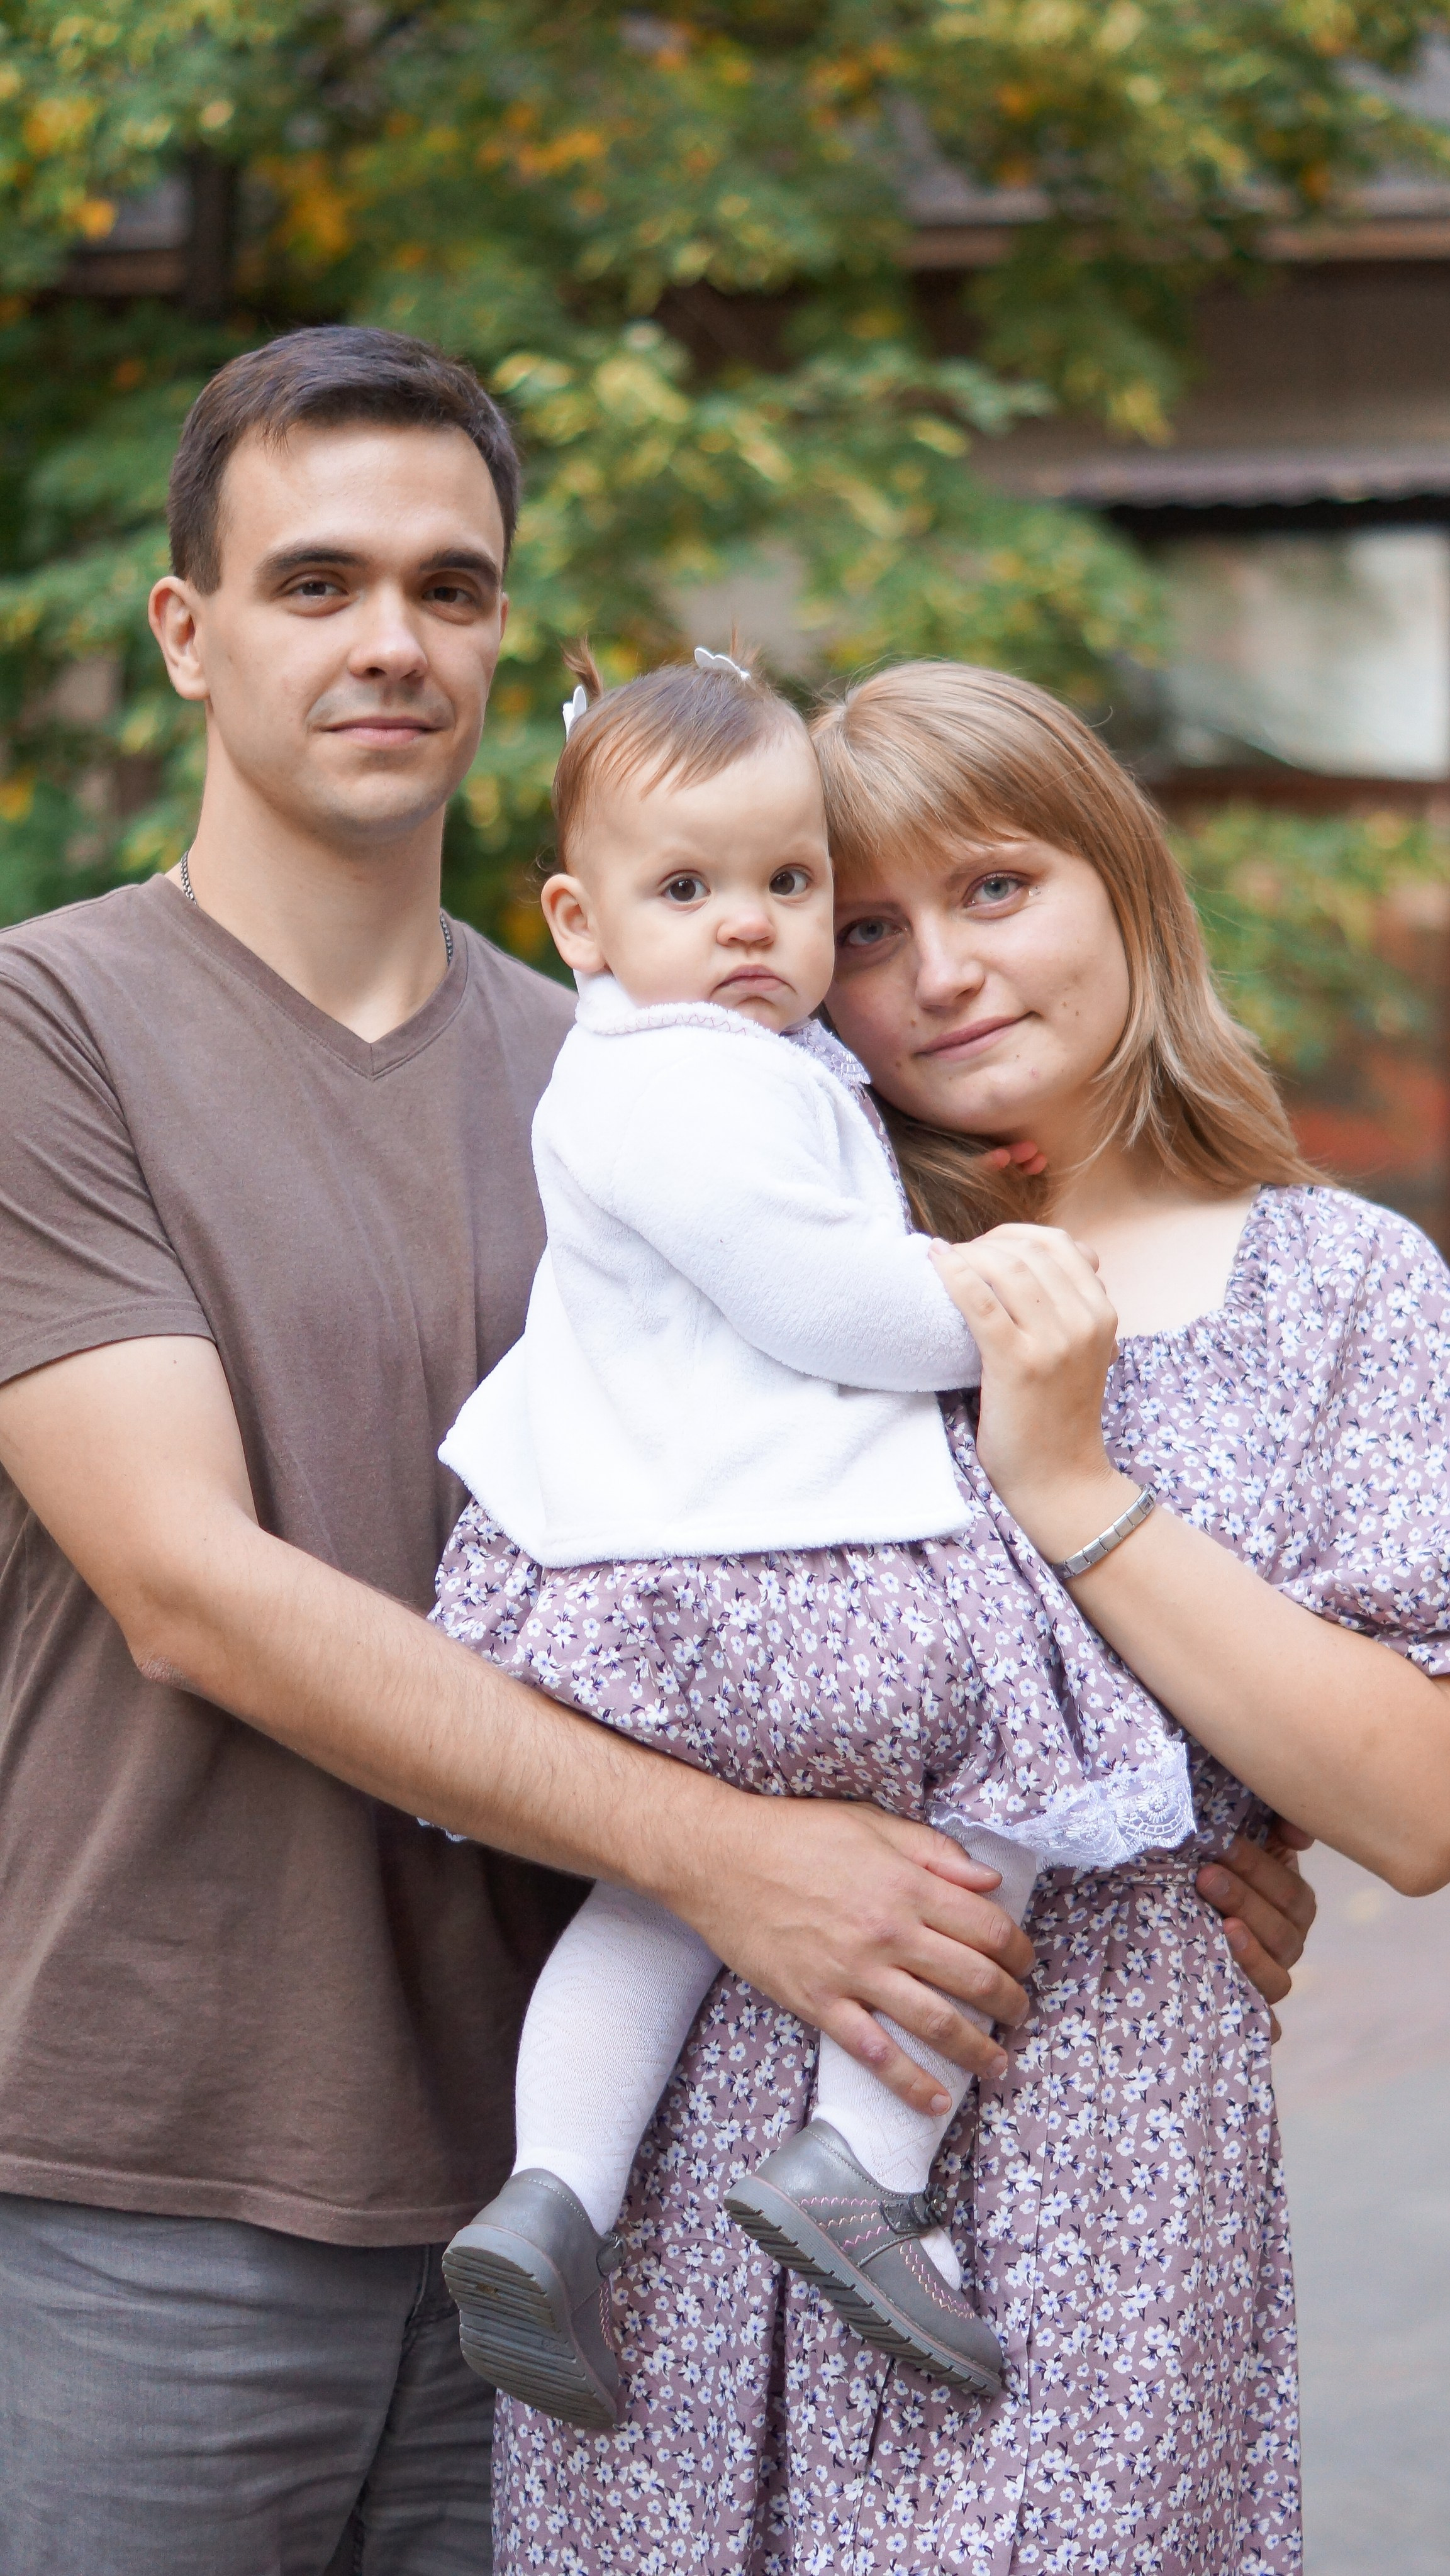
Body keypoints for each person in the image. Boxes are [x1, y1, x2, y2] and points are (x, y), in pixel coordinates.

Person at [0, 321, 1307, 2572]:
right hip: (164, 2179)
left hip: (609, 2215)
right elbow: (184, 1585)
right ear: (187, 634)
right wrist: (725, 1855)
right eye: (316, 583)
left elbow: (959, 1492)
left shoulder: (686, 1051)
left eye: (453, 585)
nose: (392, 639)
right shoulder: (52, 1026)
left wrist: (1177, 1854)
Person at [475, 660, 1450, 2576]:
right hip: (684, 2179)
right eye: (861, 927)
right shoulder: (777, 1250)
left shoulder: (1344, 1288)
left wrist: (1071, 1484)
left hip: (1098, 2206)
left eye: (995, 888)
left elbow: (1416, 1804)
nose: (932, 972)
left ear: (1123, 885)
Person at [426, 642, 1193, 2429]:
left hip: (644, 1600)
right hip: (785, 1582)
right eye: (688, 889)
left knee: (654, 1897)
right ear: (578, 921)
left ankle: (556, 2193)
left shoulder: (684, 1061)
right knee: (1004, 1797)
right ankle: (863, 2163)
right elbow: (827, 1303)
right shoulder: (682, 1079)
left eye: (789, 885)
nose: (755, 927)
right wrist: (993, 1306)